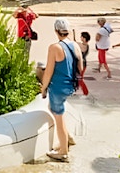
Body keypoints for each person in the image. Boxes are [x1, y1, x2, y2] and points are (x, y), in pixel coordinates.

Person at [39, 18, 82, 162]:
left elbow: (49, 71)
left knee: (58, 116)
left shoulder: (54, 48)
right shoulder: (75, 45)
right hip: (71, 86)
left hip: (58, 88)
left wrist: (43, 88)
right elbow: (80, 68)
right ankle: (68, 138)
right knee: (56, 109)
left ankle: (63, 151)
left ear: (56, 31)